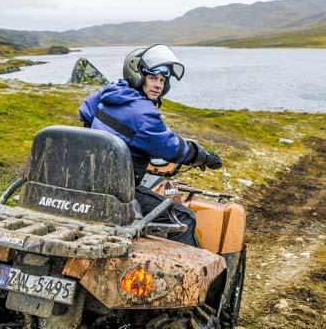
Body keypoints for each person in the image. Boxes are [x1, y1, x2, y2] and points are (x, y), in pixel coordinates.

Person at [78, 44, 222, 246]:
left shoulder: (110, 93)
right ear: (138, 76)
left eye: (162, 80)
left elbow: (85, 112)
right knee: (183, 218)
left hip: (86, 178)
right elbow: (171, 148)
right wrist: (203, 156)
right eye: (153, 78)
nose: (158, 85)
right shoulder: (142, 113)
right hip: (116, 189)